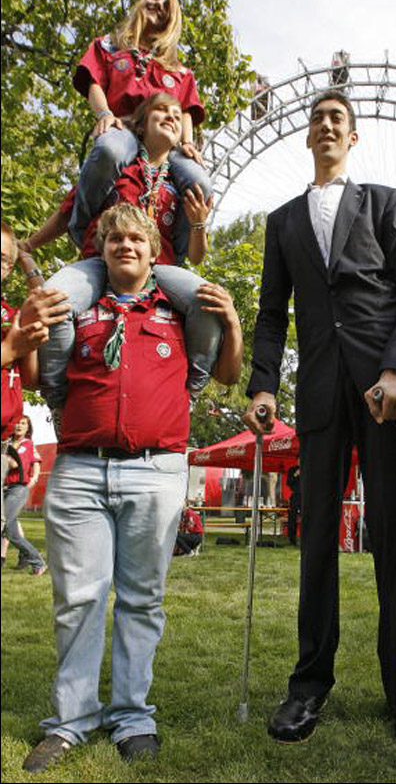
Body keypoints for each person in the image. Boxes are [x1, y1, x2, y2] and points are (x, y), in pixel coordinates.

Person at [243, 90, 396, 748]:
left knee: (393, 537)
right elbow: (272, 313)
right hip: (320, 391)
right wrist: (263, 385)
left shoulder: (383, 202)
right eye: (318, 119)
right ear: (308, 137)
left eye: (338, 119)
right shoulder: (282, 221)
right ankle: (307, 687)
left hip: (387, 389)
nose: (326, 125)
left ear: (352, 137)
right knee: (317, 540)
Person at [22, 203, 242, 774]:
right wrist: (29, 322)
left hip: (155, 470)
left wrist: (234, 323)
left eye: (136, 239)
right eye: (114, 238)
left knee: (142, 600)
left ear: (153, 251)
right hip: (80, 470)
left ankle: (132, 718)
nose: (126, 245)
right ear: (100, 250)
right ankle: (70, 721)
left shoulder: (177, 313)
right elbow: (42, 380)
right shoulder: (78, 308)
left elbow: (225, 376)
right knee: (79, 600)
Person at [28, 93, 222, 407]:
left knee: (209, 302)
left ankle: (191, 396)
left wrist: (198, 223)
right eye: (161, 110)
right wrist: (29, 244)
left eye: (177, 114)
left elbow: (196, 257)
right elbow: (67, 213)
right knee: (53, 301)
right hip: (99, 262)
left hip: (158, 270)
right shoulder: (114, 167)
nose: (171, 117)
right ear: (141, 125)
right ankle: (58, 401)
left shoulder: (182, 185)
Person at [68, 0, 211, 246]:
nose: (159, 6)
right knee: (109, 151)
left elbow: (186, 109)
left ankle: (175, 253)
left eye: (167, 6)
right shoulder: (108, 46)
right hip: (125, 127)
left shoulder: (178, 70)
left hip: (165, 142)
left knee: (200, 182)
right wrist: (104, 114)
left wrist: (188, 142)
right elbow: (93, 83)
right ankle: (83, 228)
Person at [1, 222, 69, 528]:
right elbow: (10, 351)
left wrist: (29, 340)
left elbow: (29, 380)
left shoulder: (7, 313)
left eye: (3, 259)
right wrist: (11, 348)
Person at [2, 415, 47, 576]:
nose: (19, 426)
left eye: (23, 423)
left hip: (17, 488)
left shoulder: (26, 444)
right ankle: (32, 559)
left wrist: (35, 478)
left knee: (6, 525)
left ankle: (36, 560)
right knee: (11, 530)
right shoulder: (7, 443)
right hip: (5, 488)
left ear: (28, 428)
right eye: (17, 423)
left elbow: (14, 463)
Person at [286, 464, 301, 546]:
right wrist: (295, 475)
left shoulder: (308, 469)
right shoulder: (292, 470)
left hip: (306, 496)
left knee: (307, 517)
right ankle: (292, 539)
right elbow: (288, 482)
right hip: (295, 495)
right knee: (292, 517)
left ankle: (306, 538)